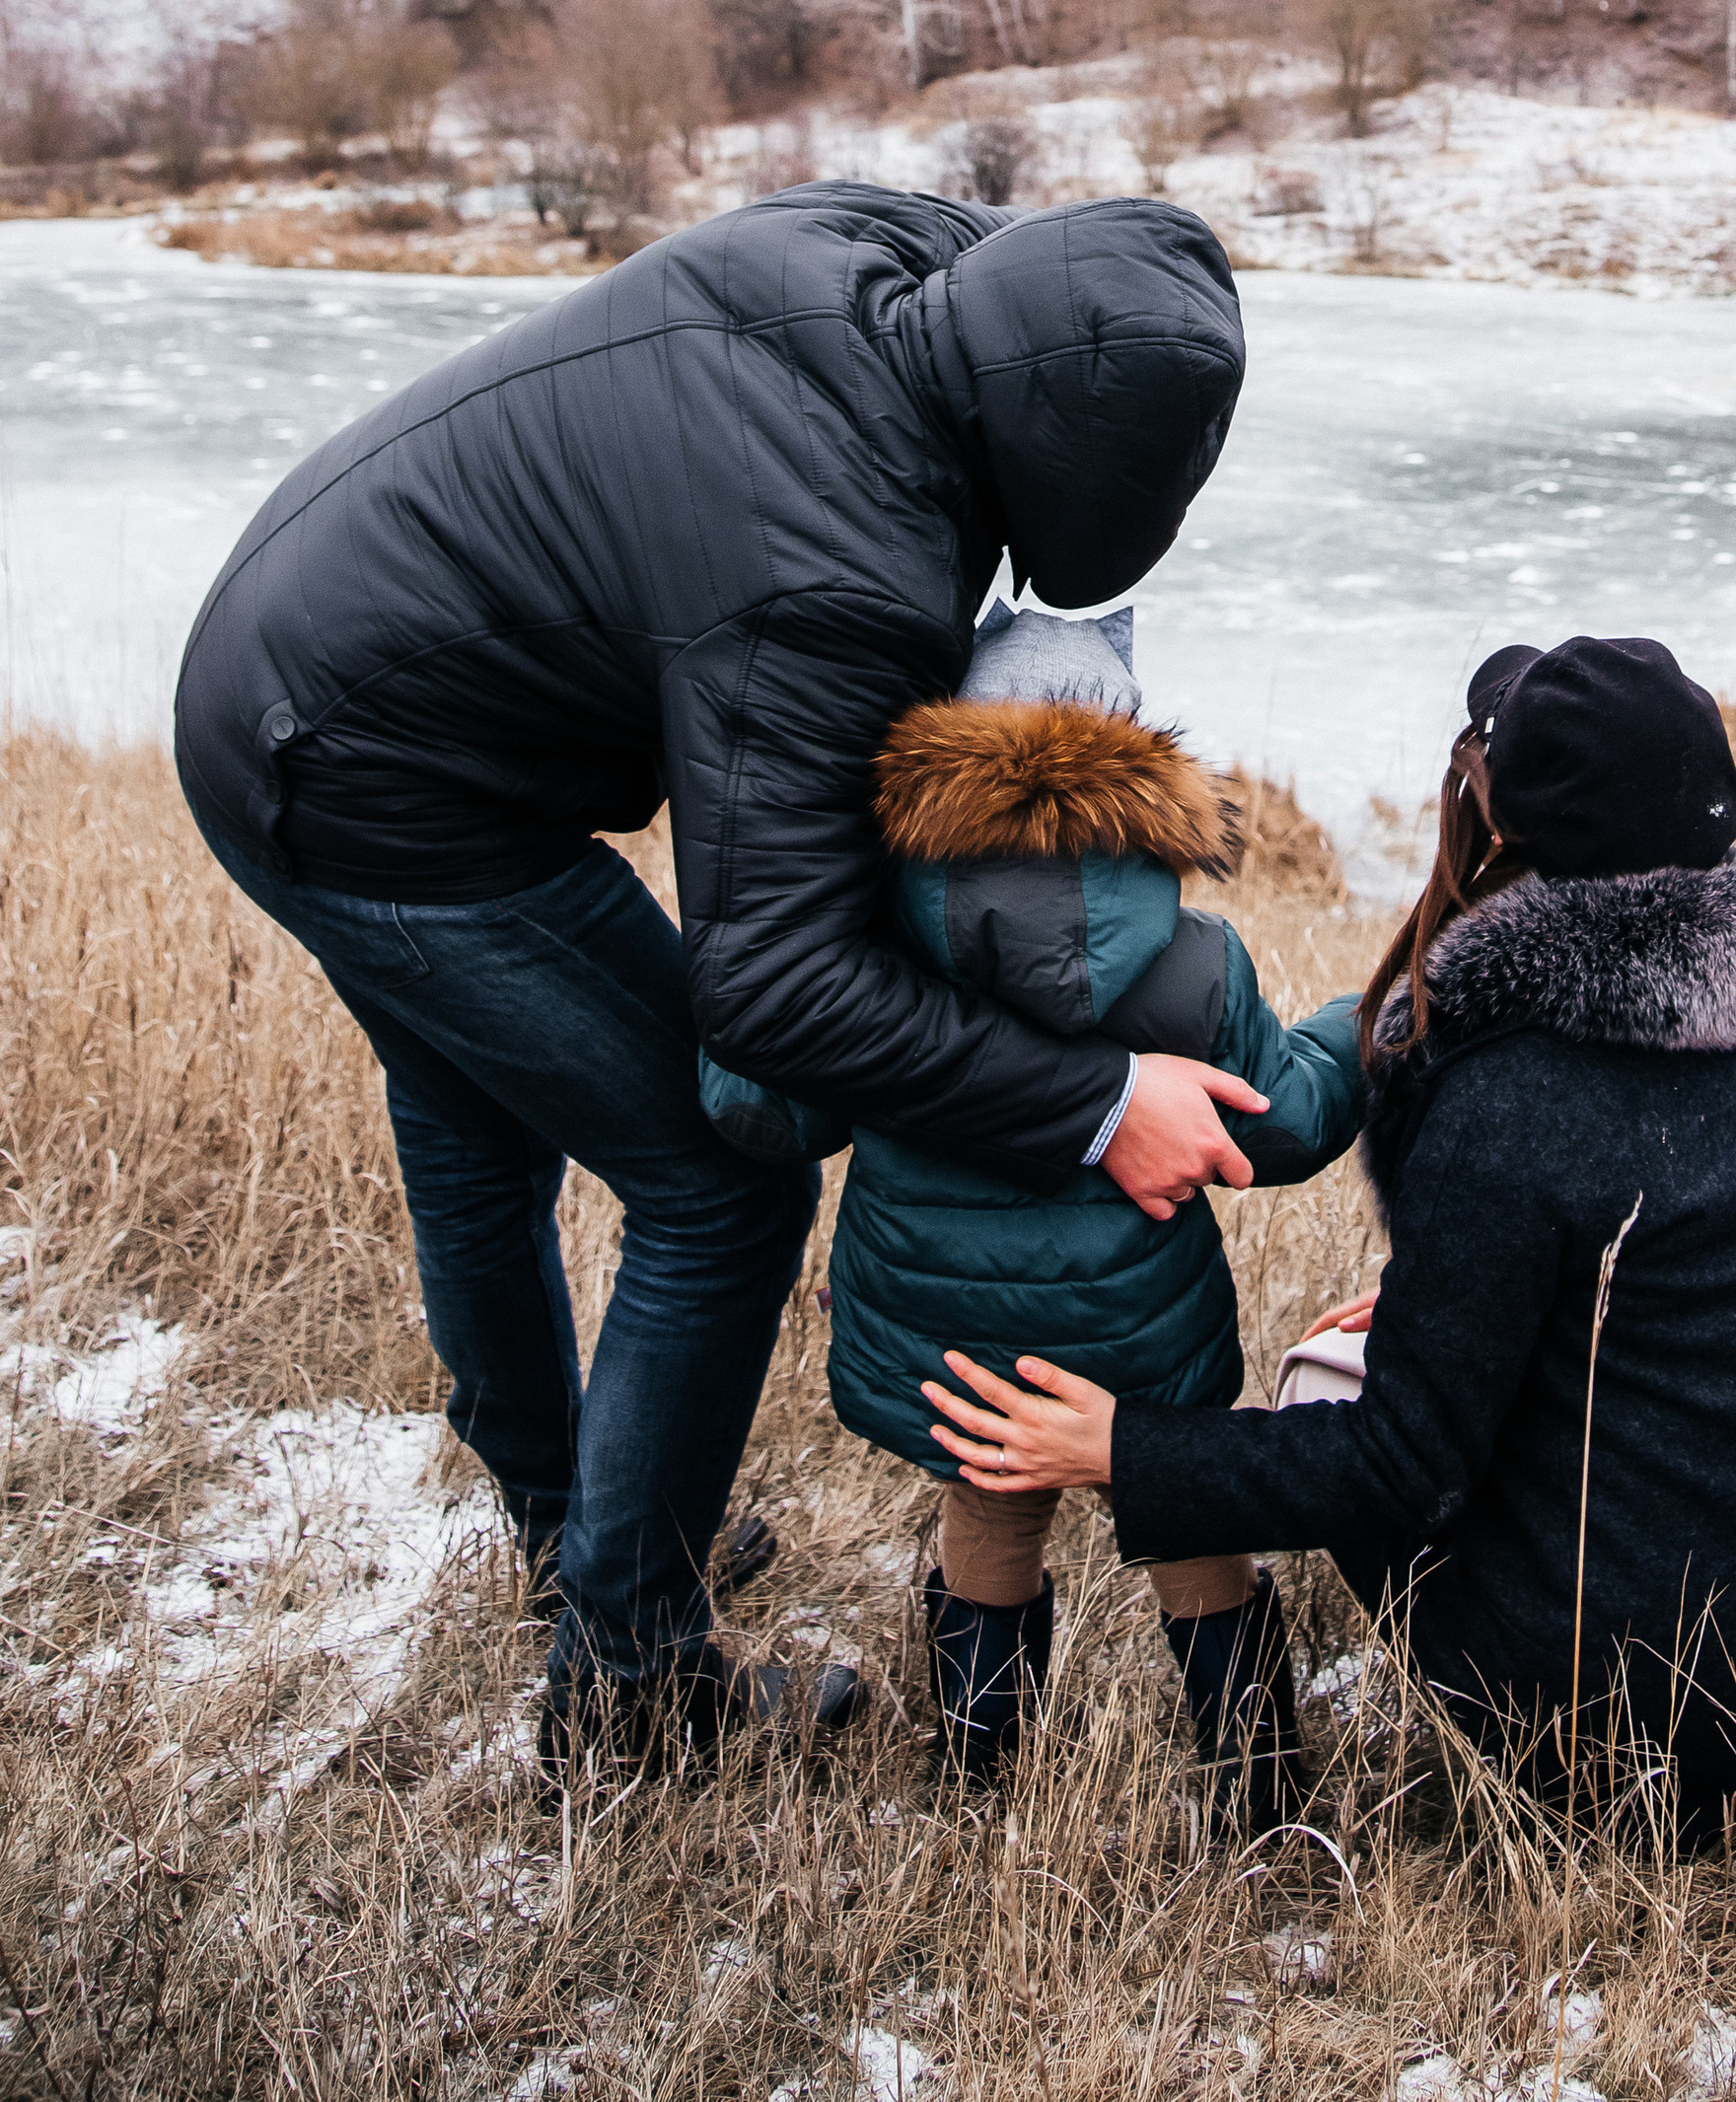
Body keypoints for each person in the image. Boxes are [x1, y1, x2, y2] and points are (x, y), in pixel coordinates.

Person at [172, 183, 1257, 1776]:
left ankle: (578, 1530)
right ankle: (624, 1687)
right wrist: (1096, 1103)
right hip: (361, 776)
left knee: (477, 1121)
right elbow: (772, 991)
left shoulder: (887, 253)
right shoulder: (829, 575)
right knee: (722, 1181)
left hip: (293, 648)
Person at [924, 631, 1736, 1829]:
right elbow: (1646, 1273)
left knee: (1320, 1386)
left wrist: (1122, 1450)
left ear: (1506, 822)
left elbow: (1398, 1469)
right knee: (1412, 1371)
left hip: (1625, 1695)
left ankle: (1519, 1768)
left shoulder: (1508, 1099)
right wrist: (1440, 1297)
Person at [703, 597, 1363, 1827]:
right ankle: (1256, 1784)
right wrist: (1354, 1030)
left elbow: (761, 1112)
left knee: (989, 1502)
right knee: (1187, 1515)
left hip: (948, 1335)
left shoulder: (865, 956)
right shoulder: (1194, 962)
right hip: (1144, 1342)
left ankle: (979, 1772)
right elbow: (1280, 1131)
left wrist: (734, 1001)